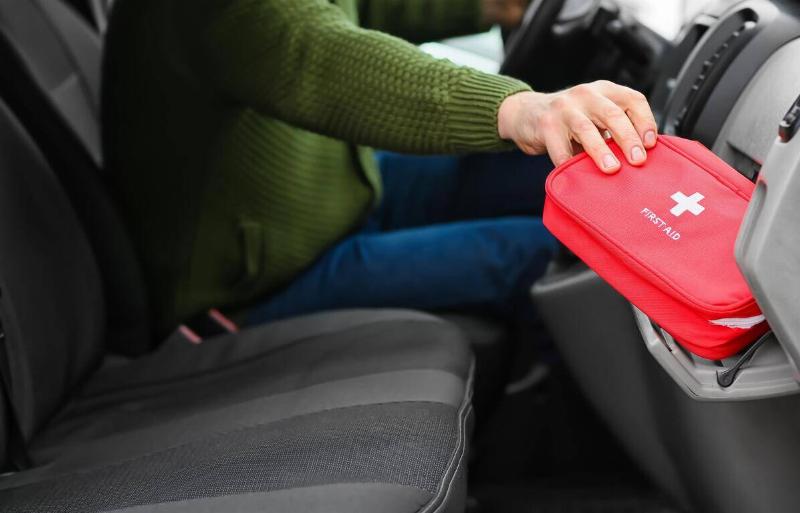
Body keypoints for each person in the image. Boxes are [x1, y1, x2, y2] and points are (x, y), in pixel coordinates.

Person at [103, 0, 658, 337]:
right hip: (254, 287)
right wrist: (517, 109)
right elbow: (323, 62)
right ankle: (573, 456)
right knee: (552, 250)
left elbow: (359, 9)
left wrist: (493, 5)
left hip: (337, 193)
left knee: (553, 179)